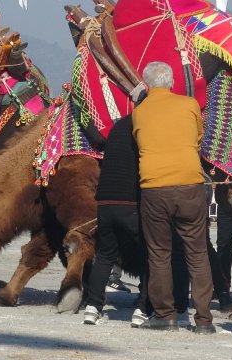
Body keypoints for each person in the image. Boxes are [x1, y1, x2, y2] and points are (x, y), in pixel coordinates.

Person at [131, 61, 214, 334]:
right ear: (171, 83)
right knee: (198, 253)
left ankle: (164, 315)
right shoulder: (189, 104)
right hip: (190, 184)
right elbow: (198, 136)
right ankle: (203, 320)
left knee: (159, 254)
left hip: (154, 187)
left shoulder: (139, 112)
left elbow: (139, 141)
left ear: (146, 85)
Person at [83, 115, 148, 326]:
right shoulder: (146, 126)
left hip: (105, 201)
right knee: (150, 254)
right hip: (130, 201)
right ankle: (142, 308)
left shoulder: (117, 126)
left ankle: (92, 307)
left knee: (105, 255)